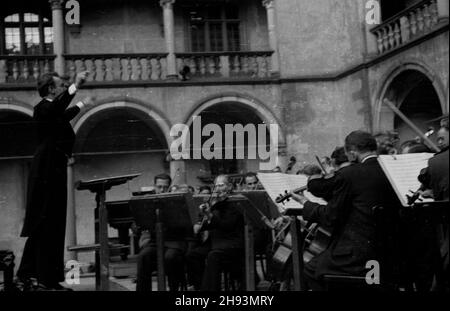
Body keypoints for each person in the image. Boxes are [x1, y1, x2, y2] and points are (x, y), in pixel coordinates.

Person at [290, 131, 402, 290]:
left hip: (357, 257)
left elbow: (330, 216)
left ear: (353, 152)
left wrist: (305, 203)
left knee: (310, 269)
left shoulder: (350, 173)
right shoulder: (391, 169)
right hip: (390, 253)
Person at [16, 71, 92, 291]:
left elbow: (62, 115)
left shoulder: (52, 110)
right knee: (44, 223)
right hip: (46, 172)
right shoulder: (42, 107)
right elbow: (56, 110)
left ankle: (48, 278)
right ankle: (36, 277)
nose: (63, 86)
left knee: (54, 225)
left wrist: (80, 105)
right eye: (60, 85)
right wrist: (75, 87)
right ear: (51, 89)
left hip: (54, 169)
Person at [186, 175, 245, 291]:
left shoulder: (235, 202)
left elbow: (227, 225)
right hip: (216, 241)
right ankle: (199, 287)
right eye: (216, 185)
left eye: (221, 185)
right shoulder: (216, 203)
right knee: (193, 255)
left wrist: (210, 215)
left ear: (230, 186)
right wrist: (201, 225)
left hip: (231, 242)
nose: (218, 188)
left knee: (213, 256)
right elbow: (212, 224)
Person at [136, 173, 188, 291]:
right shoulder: (148, 201)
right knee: (143, 256)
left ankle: (174, 289)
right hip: (156, 242)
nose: (162, 190)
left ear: (169, 186)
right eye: (159, 187)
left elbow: (184, 225)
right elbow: (140, 222)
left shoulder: (176, 201)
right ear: (154, 186)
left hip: (175, 242)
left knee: (170, 257)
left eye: (165, 187)